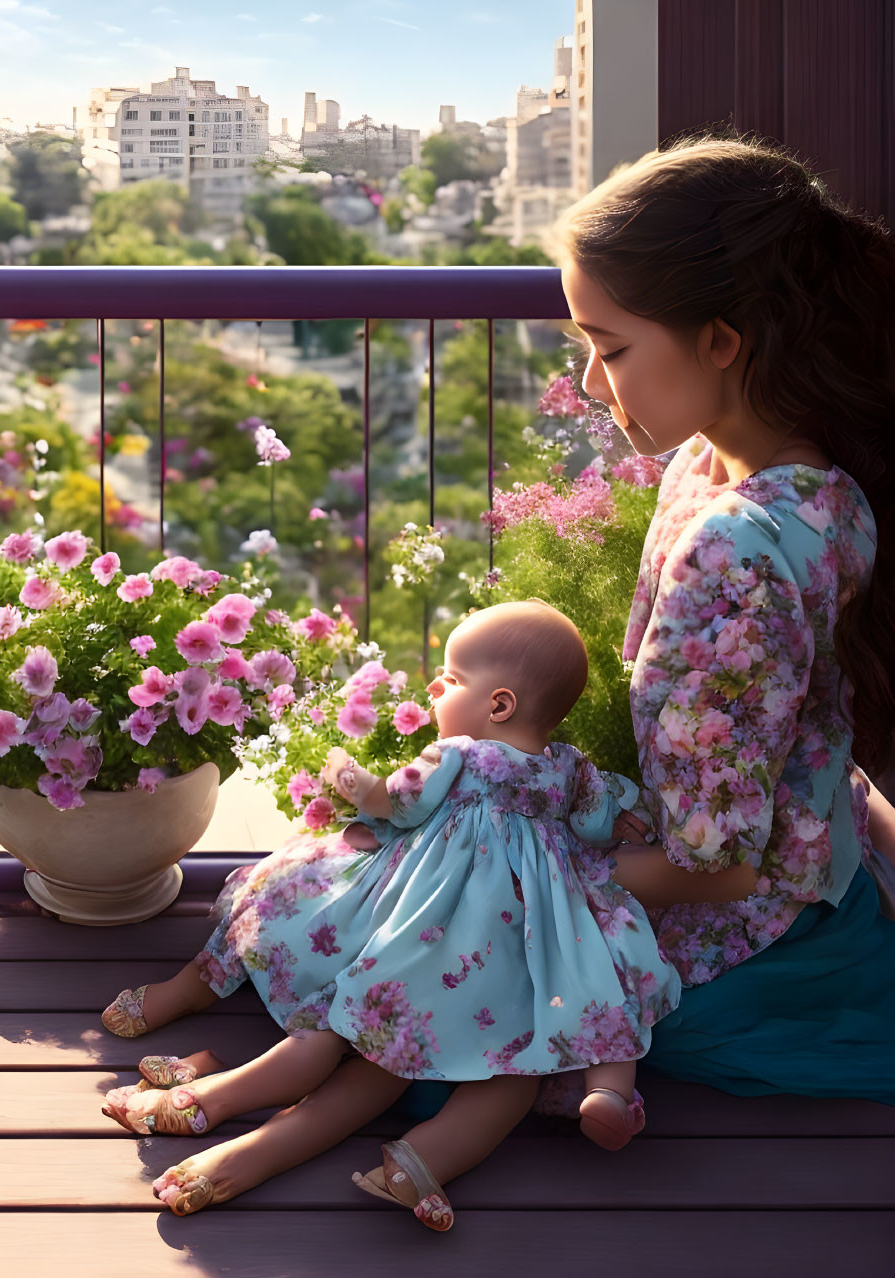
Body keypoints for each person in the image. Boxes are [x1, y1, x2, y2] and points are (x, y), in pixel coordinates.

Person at [105, 133, 895, 1224]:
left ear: (720, 340)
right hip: (783, 858)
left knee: (419, 993)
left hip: (733, 919)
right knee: (394, 892)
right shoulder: (800, 482)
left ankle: (251, 1132)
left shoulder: (735, 543)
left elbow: (717, 867)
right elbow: (800, 735)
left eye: (609, 349)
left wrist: (523, 882)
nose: (586, 380)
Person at [100, 602, 682, 1226]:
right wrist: (628, 818)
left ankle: (209, 1100)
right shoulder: (569, 769)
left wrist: (354, 783)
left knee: (329, 1001)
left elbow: (399, 803)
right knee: (500, 1074)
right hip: (503, 958)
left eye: (453, 678)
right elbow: (599, 824)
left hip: (419, 924)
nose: (436, 685)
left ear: (500, 706)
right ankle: (413, 1161)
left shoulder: (456, 755)